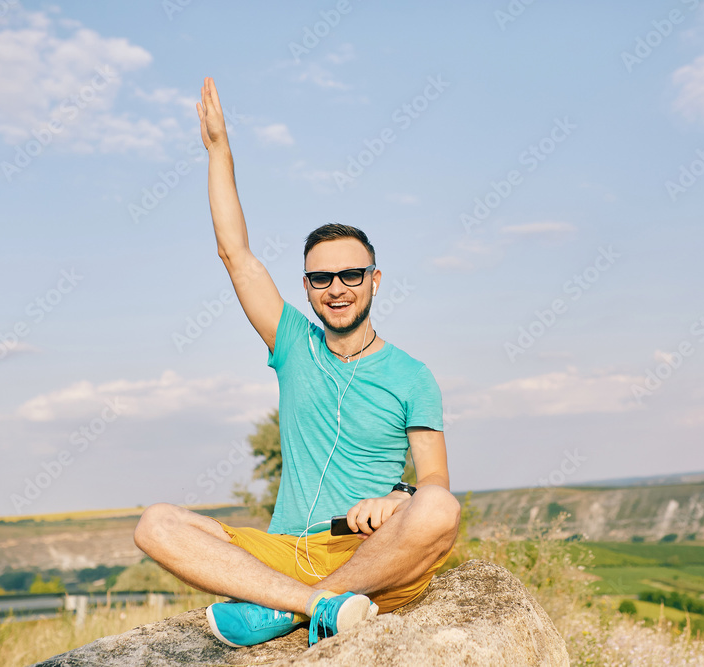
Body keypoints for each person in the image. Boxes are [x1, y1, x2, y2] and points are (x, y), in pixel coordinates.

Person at [133, 77, 461, 648]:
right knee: (156, 523)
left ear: (374, 281)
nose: (337, 288)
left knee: (437, 507)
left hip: (367, 552)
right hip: (285, 550)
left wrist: (396, 499)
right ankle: (314, 607)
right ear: (306, 288)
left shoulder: (412, 375)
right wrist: (219, 151)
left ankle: (280, 607)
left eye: (351, 275)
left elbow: (435, 482)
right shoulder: (291, 342)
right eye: (320, 278)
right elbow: (235, 254)